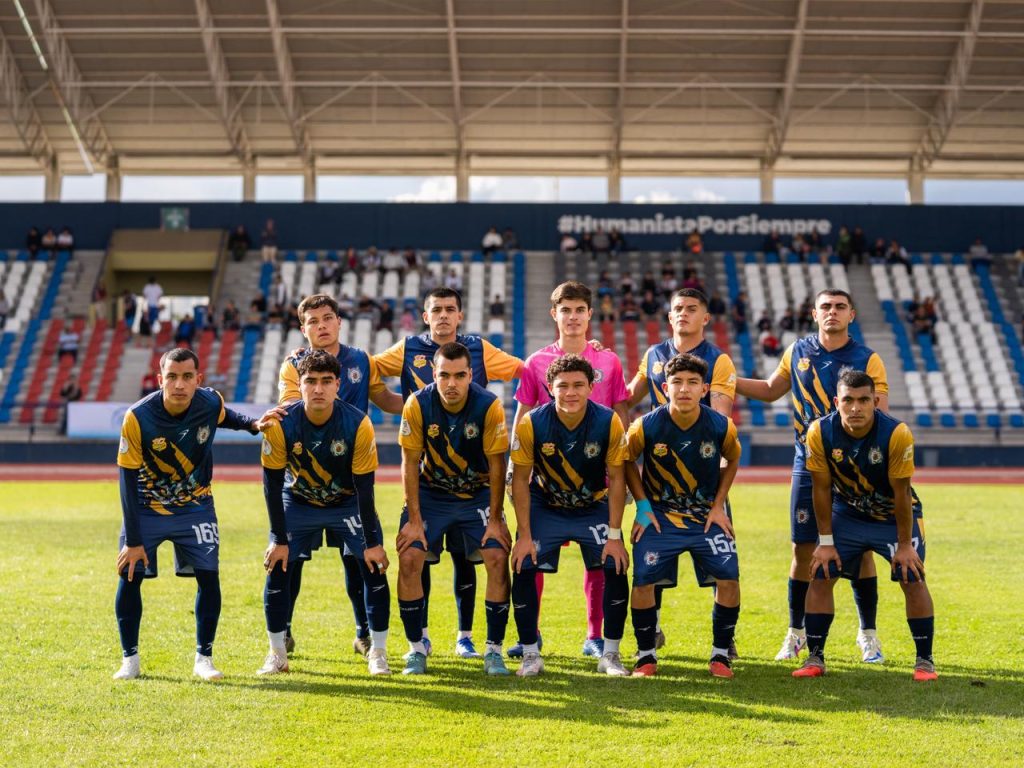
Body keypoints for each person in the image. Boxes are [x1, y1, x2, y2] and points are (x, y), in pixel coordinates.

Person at [734, 288, 890, 664]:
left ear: (851, 314)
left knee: (861, 551)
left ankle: (868, 634)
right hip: (807, 462)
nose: (832, 312)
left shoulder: (868, 359)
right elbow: (771, 390)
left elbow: (880, 413)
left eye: (840, 307)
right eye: (825, 307)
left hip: (854, 468)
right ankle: (796, 632)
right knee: (802, 549)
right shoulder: (797, 351)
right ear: (814, 314)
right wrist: (726, 379)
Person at [374, 287, 523, 659]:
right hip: (432, 478)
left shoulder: (480, 352)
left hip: (473, 478)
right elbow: (366, 369)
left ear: (460, 315)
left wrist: (573, 353)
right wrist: (399, 405)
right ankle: (419, 640)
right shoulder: (408, 351)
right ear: (426, 316)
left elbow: (527, 370)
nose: (443, 315)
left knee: (466, 558)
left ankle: (466, 637)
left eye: (450, 309)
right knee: (417, 555)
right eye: (436, 309)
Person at [112, 348, 260, 681]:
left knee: (209, 577)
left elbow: (225, 416)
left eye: (187, 377)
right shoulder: (138, 417)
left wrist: (252, 424)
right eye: (172, 377)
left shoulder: (209, 401)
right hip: (146, 506)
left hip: (195, 506)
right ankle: (129, 659)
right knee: (130, 575)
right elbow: (126, 480)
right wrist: (133, 541)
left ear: (198, 379)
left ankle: (204, 659)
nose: (179, 384)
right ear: (159, 379)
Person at [271, 295, 402, 657]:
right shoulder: (293, 365)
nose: (322, 325)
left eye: (327, 318)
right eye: (313, 321)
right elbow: (290, 407)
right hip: (304, 480)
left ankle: (363, 633)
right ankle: (284, 630)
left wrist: (427, 399)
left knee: (356, 559)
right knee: (291, 561)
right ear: (303, 329)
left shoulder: (361, 360)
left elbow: (386, 399)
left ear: (339, 321)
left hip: (349, 483)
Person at [511, 281, 630, 660]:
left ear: (590, 314)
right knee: (532, 556)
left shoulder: (609, 362)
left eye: (580, 310)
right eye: (566, 310)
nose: (573, 317)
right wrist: (517, 465)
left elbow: (620, 413)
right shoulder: (535, 362)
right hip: (547, 481)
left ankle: (595, 636)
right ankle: (532, 635)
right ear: (554, 314)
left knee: (599, 559)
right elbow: (524, 414)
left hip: (596, 481)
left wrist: (624, 469)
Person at [257, 350, 392, 677]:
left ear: (338, 385)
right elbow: (272, 485)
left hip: (346, 502)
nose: (318, 389)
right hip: (298, 501)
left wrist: (372, 542)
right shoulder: (280, 424)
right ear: (299, 384)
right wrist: (278, 538)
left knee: (373, 566)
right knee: (278, 565)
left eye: (326, 381)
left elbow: (365, 488)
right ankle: (277, 654)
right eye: (311, 381)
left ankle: (378, 652)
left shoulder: (358, 423)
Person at [794, 370, 936, 682]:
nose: (855, 407)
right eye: (848, 400)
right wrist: (825, 542)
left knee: (912, 576)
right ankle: (815, 657)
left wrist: (904, 546)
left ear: (875, 402)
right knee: (821, 572)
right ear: (837, 402)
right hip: (848, 513)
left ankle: (924, 661)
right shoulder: (819, 431)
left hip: (892, 516)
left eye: (863, 400)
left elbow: (902, 493)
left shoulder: (897, 433)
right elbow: (821, 489)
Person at [625, 288, 738, 654]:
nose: (684, 314)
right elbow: (625, 397)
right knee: (651, 561)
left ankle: (725, 641)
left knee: (721, 566)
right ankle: (652, 629)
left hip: (703, 478)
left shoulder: (718, 360)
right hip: (659, 475)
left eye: (692, 308)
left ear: (706, 318)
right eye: (678, 309)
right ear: (669, 316)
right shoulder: (653, 355)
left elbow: (720, 421)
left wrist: (716, 496)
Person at [395, 342, 513, 675]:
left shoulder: (488, 405)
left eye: (459, 376)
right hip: (432, 494)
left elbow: (496, 464)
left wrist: (495, 519)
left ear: (470, 375)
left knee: (497, 555)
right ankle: (416, 648)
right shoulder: (417, 403)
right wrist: (413, 519)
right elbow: (409, 462)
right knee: (410, 557)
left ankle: (493, 651)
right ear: (433, 374)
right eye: (444, 375)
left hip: (476, 495)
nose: (451, 383)